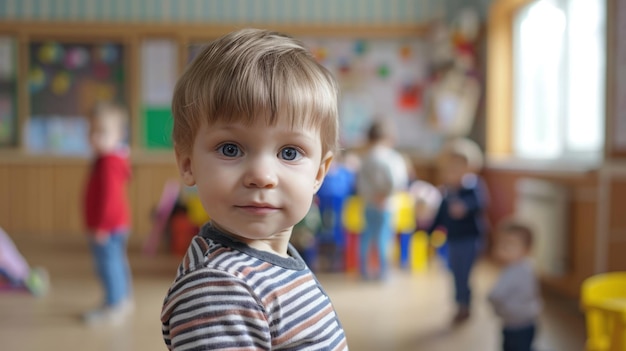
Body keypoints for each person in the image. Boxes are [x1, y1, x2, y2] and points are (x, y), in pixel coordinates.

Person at [160, 29, 348, 350]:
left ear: (319, 172)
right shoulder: (219, 290)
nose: (262, 176)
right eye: (231, 149)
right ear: (188, 164)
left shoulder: (272, 260)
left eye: (289, 152)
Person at [427, 137, 488, 324]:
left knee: (464, 273)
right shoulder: (446, 190)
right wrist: (430, 233)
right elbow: (440, 215)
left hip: (470, 238)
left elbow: (481, 203)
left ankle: (465, 305)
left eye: (459, 167)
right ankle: (460, 303)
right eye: (450, 167)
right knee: (454, 272)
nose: (454, 171)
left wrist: (465, 207)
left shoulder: (473, 187)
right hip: (453, 239)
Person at [82, 102, 133, 325]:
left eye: (102, 132)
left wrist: (101, 226)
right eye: (92, 131)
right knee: (116, 263)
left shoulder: (108, 163)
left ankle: (114, 305)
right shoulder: (107, 160)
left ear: (119, 135)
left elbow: (110, 200)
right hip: (115, 225)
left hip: (108, 227)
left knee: (108, 265)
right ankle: (122, 299)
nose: (95, 137)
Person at [356, 119, 408, 281]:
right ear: (389, 137)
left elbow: (360, 182)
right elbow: (397, 180)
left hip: (369, 203)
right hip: (385, 204)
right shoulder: (391, 157)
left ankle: (364, 270)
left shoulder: (365, 157)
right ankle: (383, 272)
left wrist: (370, 195)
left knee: (367, 236)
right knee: (384, 238)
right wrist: (386, 193)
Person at [488, 219, 541, 351]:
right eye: (501, 244)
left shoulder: (513, 272)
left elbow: (495, 295)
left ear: (526, 249)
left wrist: (497, 310)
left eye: (509, 245)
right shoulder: (528, 266)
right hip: (528, 321)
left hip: (515, 325)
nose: (503, 249)